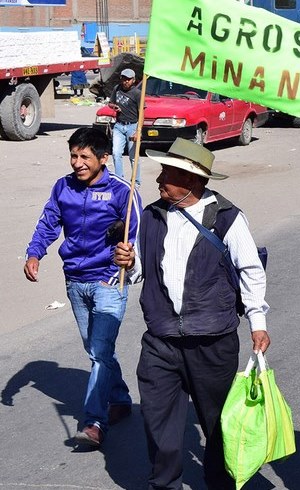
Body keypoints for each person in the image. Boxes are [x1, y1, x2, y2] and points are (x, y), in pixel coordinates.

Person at [113, 138, 270, 489]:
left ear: (193, 181)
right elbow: (142, 269)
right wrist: (129, 261)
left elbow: (250, 270)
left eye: (167, 173)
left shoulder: (227, 218)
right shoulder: (151, 216)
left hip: (212, 341)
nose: (158, 180)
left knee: (216, 425)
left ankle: (219, 482)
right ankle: (164, 483)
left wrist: (257, 323)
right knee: (157, 420)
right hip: (161, 339)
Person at [24, 127, 140, 447]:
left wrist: (129, 262)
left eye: (84, 156)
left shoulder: (122, 192)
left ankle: (93, 422)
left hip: (109, 281)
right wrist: (34, 253)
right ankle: (119, 398)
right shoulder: (63, 187)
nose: (77, 163)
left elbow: (137, 235)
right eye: (73, 155)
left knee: (99, 353)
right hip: (75, 281)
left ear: (104, 159)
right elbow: (49, 222)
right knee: (96, 349)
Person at [108, 68, 141, 186]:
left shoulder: (137, 93)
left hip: (132, 126)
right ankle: (119, 180)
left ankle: (136, 182)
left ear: (133, 80)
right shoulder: (117, 89)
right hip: (119, 126)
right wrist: (114, 107)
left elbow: (142, 112)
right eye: (123, 79)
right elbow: (110, 103)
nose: (125, 81)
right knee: (116, 153)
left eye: (128, 79)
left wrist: (138, 131)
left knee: (133, 156)